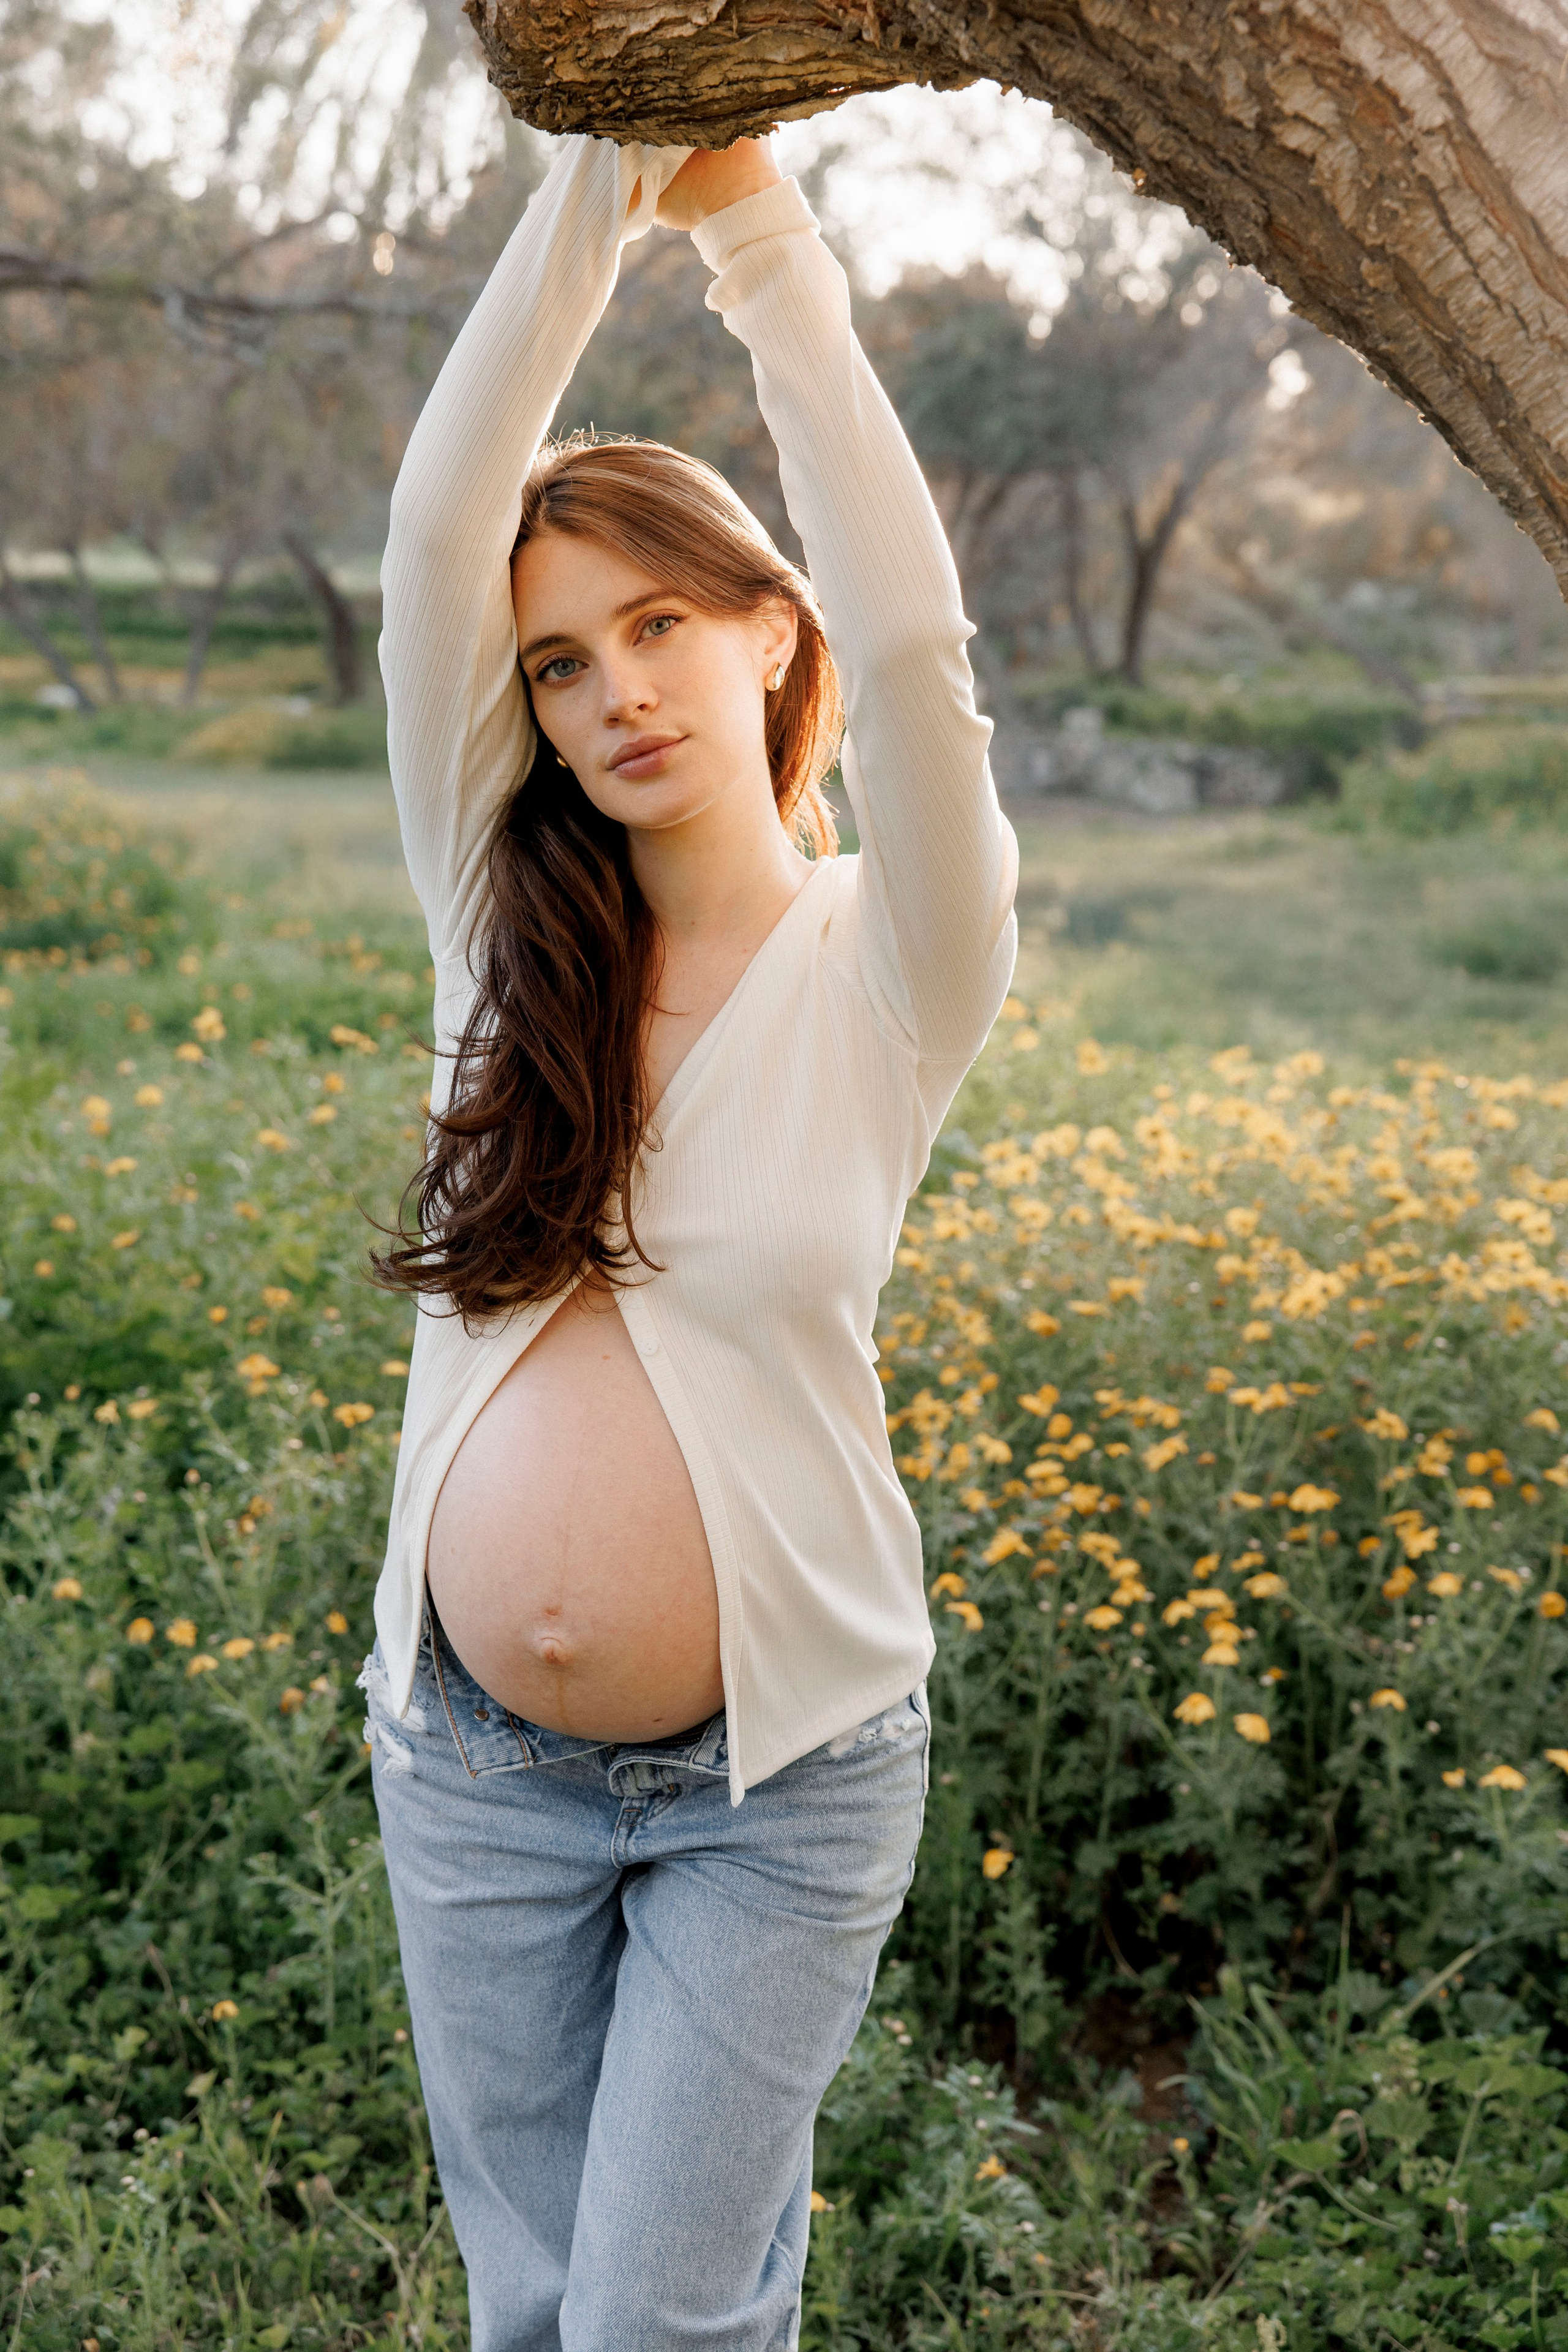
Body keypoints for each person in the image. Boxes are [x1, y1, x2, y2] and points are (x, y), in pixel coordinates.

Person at [358, 129, 1018, 2352]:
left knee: (653, 2331)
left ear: (762, 633)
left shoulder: (900, 956)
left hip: (777, 1787)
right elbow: (442, 534)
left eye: (658, 626)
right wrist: (594, 177)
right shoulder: (498, 927)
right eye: (558, 665)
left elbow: (919, 643)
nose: (614, 692)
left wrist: (747, 227)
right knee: (528, 2314)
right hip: (466, 1770)